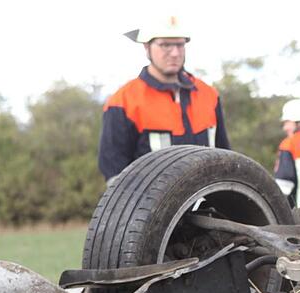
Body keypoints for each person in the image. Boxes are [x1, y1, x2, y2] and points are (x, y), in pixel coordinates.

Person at [98, 16, 229, 180]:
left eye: (180, 44)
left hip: (209, 201)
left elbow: (226, 157)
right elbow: (114, 172)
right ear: (147, 47)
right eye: (165, 45)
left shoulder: (209, 95)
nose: (175, 53)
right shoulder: (123, 102)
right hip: (152, 204)